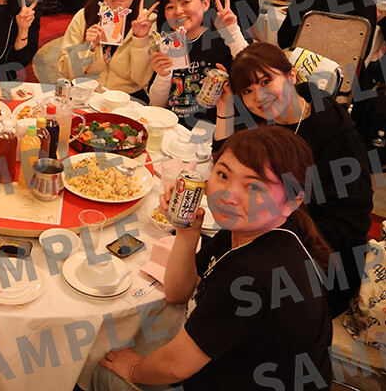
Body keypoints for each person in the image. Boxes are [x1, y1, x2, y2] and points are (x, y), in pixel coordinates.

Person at [94, 126, 333, 391]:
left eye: (253, 186)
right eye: (223, 175)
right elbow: (179, 293)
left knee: (103, 374)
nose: (227, 195)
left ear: (292, 201)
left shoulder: (252, 276)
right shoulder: (251, 231)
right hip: (225, 369)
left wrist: (133, 368)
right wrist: (187, 232)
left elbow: (176, 366)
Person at [215, 42, 373, 317]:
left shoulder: (335, 134)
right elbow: (225, 163)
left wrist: (271, 234)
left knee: (237, 302)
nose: (259, 96)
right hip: (264, 230)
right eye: (248, 91)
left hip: (322, 259)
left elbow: (352, 219)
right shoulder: (265, 119)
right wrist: (225, 107)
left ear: (291, 75)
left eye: (266, 81)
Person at [147, 0, 248, 127]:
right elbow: (157, 105)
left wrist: (232, 31)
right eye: (170, 7)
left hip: (214, 128)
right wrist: (163, 75)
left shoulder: (222, 37)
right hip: (173, 127)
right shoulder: (167, 43)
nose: (178, 11)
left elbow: (252, 70)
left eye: (186, 2)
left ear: (205, 3)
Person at [57, 0, 157, 100]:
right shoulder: (84, 16)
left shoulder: (147, 22)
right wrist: (87, 47)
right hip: (86, 95)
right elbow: (67, 71)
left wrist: (140, 39)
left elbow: (143, 80)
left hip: (127, 98)